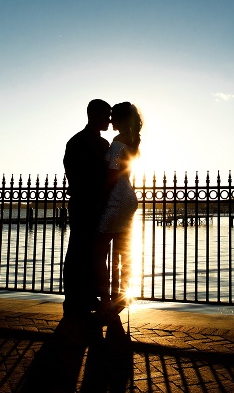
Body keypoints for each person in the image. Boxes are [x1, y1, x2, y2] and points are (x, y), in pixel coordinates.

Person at [62, 99, 112, 317]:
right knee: (78, 251)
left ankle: (91, 295)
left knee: (96, 253)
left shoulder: (104, 144)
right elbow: (74, 173)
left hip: (99, 205)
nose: (109, 120)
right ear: (94, 115)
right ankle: (73, 299)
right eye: (106, 115)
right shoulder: (78, 142)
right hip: (84, 205)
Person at [95, 102, 142, 312]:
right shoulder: (133, 140)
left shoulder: (116, 142)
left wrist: (101, 197)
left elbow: (112, 174)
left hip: (117, 198)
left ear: (121, 119)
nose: (111, 120)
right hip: (129, 197)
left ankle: (105, 299)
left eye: (114, 116)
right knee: (123, 250)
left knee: (99, 251)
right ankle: (122, 295)